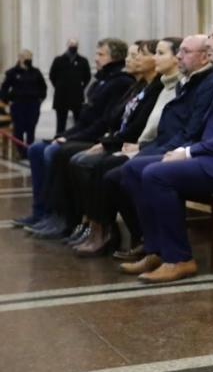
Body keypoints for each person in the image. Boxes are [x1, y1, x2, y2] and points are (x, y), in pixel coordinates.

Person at [118, 21, 213, 284]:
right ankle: (157, 250)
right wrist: (185, 150)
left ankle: (179, 258)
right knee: (134, 168)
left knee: (157, 175)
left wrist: (188, 152)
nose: (209, 42)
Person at [68, 38, 183, 256]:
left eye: (157, 53)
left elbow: (161, 128)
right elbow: (117, 119)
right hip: (141, 144)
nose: (134, 59)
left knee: (107, 168)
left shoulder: (167, 85)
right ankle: (93, 227)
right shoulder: (144, 85)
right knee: (82, 161)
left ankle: (130, 236)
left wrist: (137, 146)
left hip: (157, 147)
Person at [16, 38, 132, 231]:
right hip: (82, 131)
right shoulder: (101, 81)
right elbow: (84, 120)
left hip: (97, 139)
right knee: (37, 149)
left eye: (100, 54)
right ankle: (42, 213)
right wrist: (64, 135)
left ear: (115, 57)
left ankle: (62, 217)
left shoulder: (120, 83)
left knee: (55, 152)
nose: (95, 58)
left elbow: (103, 123)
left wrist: (69, 139)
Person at [0, 50, 47, 154]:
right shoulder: (12, 72)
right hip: (18, 104)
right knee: (19, 129)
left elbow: (43, 87)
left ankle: (29, 149)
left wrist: (40, 99)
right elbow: (4, 88)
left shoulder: (36, 72)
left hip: (33, 104)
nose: (28, 59)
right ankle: (21, 151)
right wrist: (8, 100)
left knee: (31, 127)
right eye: (26, 57)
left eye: (30, 57)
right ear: (20, 58)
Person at [49, 39, 91, 133]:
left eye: (75, 44)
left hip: (76, 95)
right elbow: (52, 76)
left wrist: (80, 87)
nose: (73, 46)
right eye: (71, 44)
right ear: (67, 45)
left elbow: (87, 76)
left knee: (78, 121)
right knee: (60, 123)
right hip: (61, 96)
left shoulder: (82, 60)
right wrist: (59, 86)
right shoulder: (58, 60)